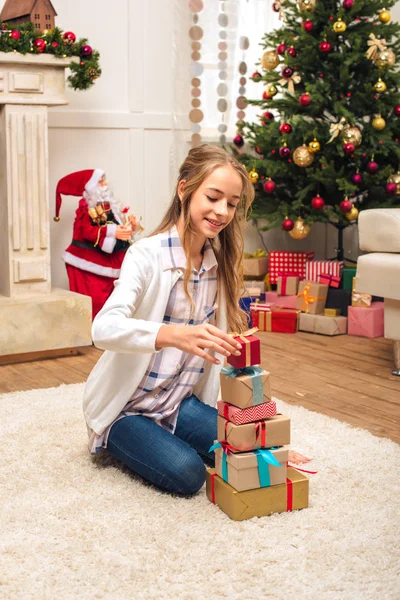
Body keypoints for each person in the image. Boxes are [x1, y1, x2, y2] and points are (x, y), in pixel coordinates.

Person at [83, 145, 255, 495]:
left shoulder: (218, 264)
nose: (222, 211)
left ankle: (167, 436)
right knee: (189, 474)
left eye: (232, 203)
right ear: (184, 189)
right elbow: (102, 328)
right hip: (128, 408)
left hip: (178, 401)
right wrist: (170, 334)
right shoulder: (145, 255)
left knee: (251, 444)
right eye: (213, 197)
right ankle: (124, 439)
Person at [54, 169, 139, 319]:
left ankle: (110, 331)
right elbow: (87, 231)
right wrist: (113, 231)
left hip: (112, 262)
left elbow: (117, 227)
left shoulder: (110, 207)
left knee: (116, 303)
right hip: (90, 264)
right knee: (95, 304)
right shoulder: (86, 208)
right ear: (91, 186)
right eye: (101, 181)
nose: (105, 184)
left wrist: (129, 227)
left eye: (105, 180)